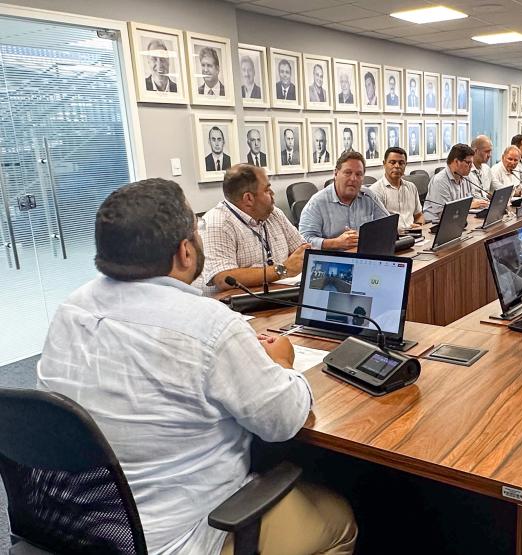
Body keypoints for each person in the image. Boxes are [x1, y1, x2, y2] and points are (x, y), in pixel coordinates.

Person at [38, 178, 356, 555]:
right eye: (196, 227)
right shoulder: (210, 324)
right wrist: (284, 363)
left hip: (75, 528)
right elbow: (283, 421)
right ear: (185, 252)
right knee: (339, 519)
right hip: (180, 538)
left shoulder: (69, 309)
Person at [201, 164, 310, 293]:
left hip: (279, 294)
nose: (272, 193)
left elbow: (302, 250)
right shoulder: (217, 224)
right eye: (267, 190)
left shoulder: (273, 213)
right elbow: (223, 278)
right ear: (248, 198)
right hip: (236, 304)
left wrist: (295, 263)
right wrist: (282, 270)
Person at [298, 151, 389, 250]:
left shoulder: (369, 196)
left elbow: (388, 226)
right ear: (336, 173)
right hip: (332, 261)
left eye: (358, 174)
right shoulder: (317, 203)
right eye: (348, 173)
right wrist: (335, 243)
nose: (353, 178)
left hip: (365, 257)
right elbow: (304, 241)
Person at [422, 144, 488, 223]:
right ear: (456, 161)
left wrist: (481, 203)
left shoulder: (466, 177)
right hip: (435, 224)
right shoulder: (440, 181)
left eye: (472, 163)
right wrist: (470, 205)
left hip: (457, 219)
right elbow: (444, 213)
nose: (471, 166)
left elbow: (469, 200)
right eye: (468, 163)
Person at [370, 147, 423, 231]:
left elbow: (419, 215)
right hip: (391, 239)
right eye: (392, 162)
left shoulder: (411, 187)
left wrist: (419, 225)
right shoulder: (375, 191)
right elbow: (377, 226)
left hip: (413, 235)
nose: (397, 166)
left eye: (401, 163)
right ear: (384, 164)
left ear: (406, 165)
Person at [468, 135, 494, 199]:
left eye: (490, 151)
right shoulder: (466, 171)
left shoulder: (486, 168)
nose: (489, 155)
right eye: (487, 151)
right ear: (475, 151)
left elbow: (498, 187)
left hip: (486, 205)